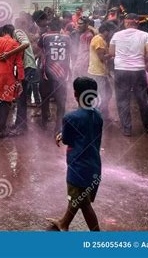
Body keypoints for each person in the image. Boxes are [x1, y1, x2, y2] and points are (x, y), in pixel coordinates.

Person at [47, 77, 102, 232]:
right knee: (79, 200)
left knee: (82, 203)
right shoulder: (98, 115)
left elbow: (67, 140)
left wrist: (61, 136)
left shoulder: (71, 118)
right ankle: (64, 223)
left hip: (78, 168)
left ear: (75, 94)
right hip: (94, 165)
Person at [109, 13, 148, 136]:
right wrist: (145, 61)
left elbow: (111, 52)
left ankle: (127, 129)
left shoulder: (116, 35)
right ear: (137, 22)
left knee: (123, 99)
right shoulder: (145, 35)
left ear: (125, 22)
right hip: (138, 70)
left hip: (121, 70)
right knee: (142, 99)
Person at [0, 24, 24, 138]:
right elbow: (19, 64)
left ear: (3, 31)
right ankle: (2, 128)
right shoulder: (16, 44)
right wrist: (20, 80)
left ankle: (1, 127)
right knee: (6, 101)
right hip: (8, 76)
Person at [0, 19, 37, 135]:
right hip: (25, 67)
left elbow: (25, 44)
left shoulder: (17, 32)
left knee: (21, 97)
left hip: (27, 67)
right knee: (20, 97)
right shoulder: (14, 36)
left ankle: (21, 127)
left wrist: (8, 54)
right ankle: (20, 124)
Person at [38, 18, 71, 131]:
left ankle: (44, 122)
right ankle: (59, 126)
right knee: (61, 101)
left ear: (49, 27)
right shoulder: (67, 38)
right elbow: (71, 52)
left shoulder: (44, 37)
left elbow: (40, 50)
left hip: (47, 73)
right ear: (60, 27)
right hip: (63, 72)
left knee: (45, 98)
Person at [87, 21, 117, 119]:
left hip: (101, 72)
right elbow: (102, 57)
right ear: (106, 31)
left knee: (107, 93)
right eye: (111, 32)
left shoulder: (101, 39)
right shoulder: (99, 40)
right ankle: (96, 116)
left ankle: (102, 113)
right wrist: (113, 54)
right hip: (97, 72)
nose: (112, 34)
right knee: (101, 95)